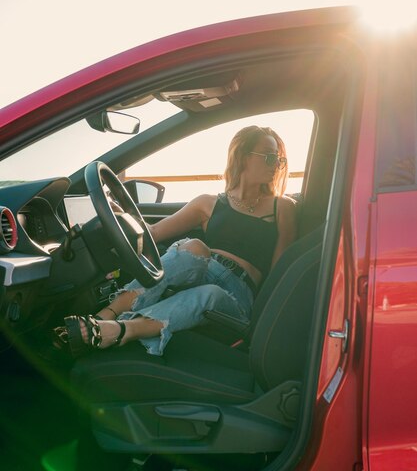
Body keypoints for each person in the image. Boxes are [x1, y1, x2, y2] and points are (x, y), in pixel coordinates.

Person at [59, 125, 297, 358]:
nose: (276, 164)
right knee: (195, 247)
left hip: (240, 294)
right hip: (202, 272)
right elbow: (150, 234)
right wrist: (118, 215)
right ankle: (103, 317)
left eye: (279, 160)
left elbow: (281, 271)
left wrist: (265, 322)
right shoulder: (208, 203)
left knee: (210, 293)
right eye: (269, 157)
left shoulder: (282, 207)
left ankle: (121, 330)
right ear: (244, 157)